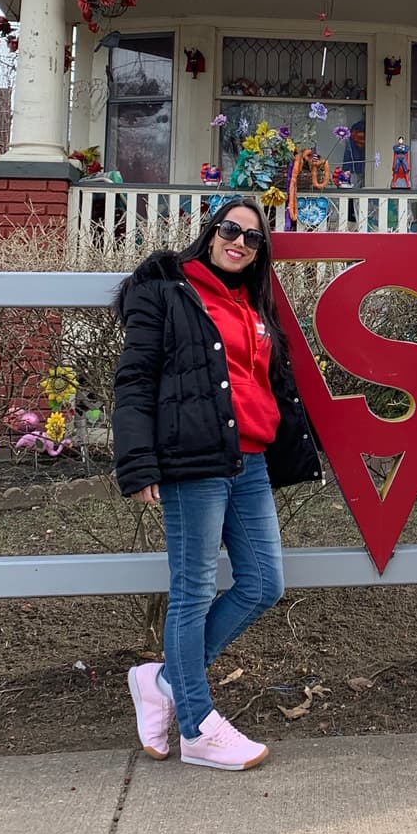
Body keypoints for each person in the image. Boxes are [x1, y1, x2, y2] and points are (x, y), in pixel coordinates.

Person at [113, 196, 321, 770]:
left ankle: (160, 680)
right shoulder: (168, 290)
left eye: (253, 238)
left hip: (248, 462)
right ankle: (198, 726)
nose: (240, 242)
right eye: (231, 229)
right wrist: (137, 462)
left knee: (263, 584)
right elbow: (134, 379)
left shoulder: (253, 301)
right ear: (210, 233)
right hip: (192, 461)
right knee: (194, 591)